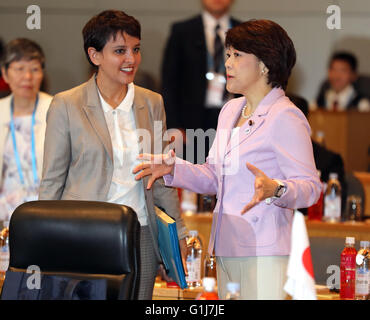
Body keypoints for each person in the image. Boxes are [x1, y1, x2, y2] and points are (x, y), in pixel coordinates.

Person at [134, 19, 322, 300]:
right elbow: (214, 175)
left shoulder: (286, 116)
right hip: (225, 246)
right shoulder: (231, 110)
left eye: (237, 56)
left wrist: (277, 189)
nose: (227, 64)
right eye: (228, 55)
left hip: (264, 250)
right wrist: (172, 168)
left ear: (264, 64)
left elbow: (311, 187)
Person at [38, 10, 187, 300]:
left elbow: (160, 178)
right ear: (95, 55)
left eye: (136, 49)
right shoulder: (66, 104)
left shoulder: (152, 102)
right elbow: (52, 181)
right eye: (120, 51)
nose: (131, 59)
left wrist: (178, 233)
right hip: (82, 232)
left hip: (140, 232)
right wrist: (46, 239)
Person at [161, 0, 240, 163]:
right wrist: (174, 125)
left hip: (234, 121)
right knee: (193, 177)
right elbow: (169, 81)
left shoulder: (244, 31)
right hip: (190, 124)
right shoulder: (182, 31)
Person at [0, 38, 52, 224]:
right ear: (5, 74)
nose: (27, 77)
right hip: (4, 217)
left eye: (34, 69)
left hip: (48, 213)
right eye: (19, 69)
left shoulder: (56, 109)